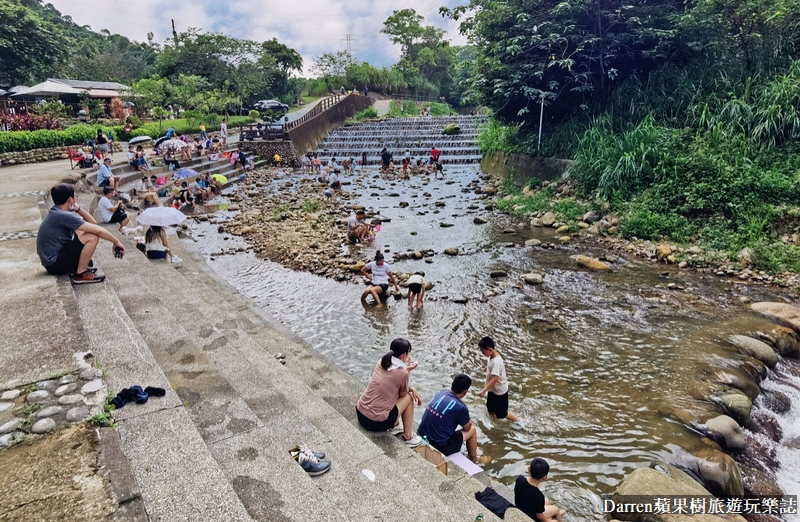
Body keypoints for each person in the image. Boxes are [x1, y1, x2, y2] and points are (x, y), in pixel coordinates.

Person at [36, 183, 125, 283]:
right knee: (92, 237)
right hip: (54, 264)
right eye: (75, 196)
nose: (76, 198)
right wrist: (116, 241)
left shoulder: (57, 212)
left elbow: (92, 223)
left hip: (51, 263)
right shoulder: (63, 216)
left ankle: (80, 268)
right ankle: (81, 274)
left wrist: (78, 209)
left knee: (85, 232)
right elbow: (97, 230)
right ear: (70, 199)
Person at [356, 338, 423, 447]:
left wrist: (405, 368)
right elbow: (403, 394)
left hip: (361, 414)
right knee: (409, 397)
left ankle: (395, 425)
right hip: (375, 423)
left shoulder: (382, 361)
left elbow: (392, 383)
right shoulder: (402, 373)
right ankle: (408, 437)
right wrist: (408, 372)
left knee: (388, 392)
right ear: (403, 355)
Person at [417, 374, 478, 461]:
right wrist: (468, 422)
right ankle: (474, 458)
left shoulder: (440, 392)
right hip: (438, 447)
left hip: (420, 436)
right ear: (465, 392)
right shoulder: (461, 407)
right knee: (473, 430)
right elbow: (467, 428)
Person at [477, 336, 519, 422]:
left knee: (502, 413)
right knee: (490, 408)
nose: (482, 353)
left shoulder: (496, 362)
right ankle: (494, 423)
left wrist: (484, 390)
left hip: (500, 391)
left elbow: (495, 378)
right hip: (492, 390)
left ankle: (518, 420)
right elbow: (490, 364)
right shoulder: (491, 355)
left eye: (483, 351)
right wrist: (487, 368)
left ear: (490, 350)